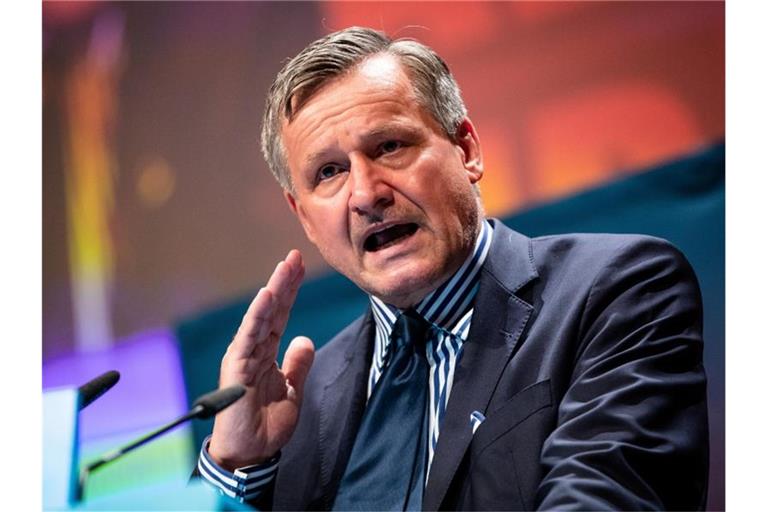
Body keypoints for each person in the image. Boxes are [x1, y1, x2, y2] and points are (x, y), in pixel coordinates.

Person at [194, 27, 708, 510]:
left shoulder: (616, 289)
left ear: (467, 150)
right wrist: (239, 464)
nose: (366, 194)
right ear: (303, 215)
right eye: (329, 172)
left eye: (389, 147)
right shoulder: (301, 401)